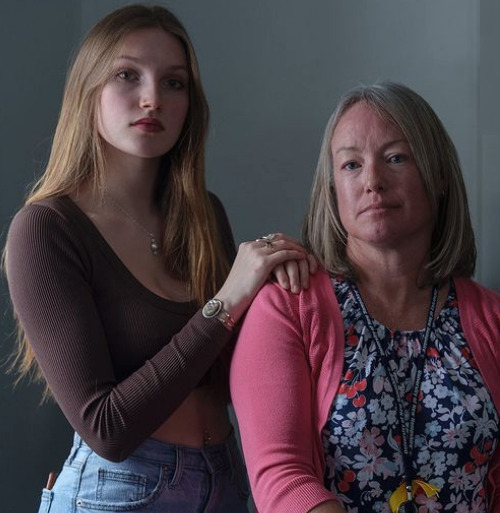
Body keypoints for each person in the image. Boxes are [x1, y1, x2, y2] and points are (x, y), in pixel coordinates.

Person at [4, 5, 315, 513]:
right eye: (128, 75)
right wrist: (228, 299)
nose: (152, 98)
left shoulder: (203, 216)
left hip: (229, 480)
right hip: (120, 491)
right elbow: (107, 429)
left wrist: (275, 286)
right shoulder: (47, 231)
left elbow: (233, 376)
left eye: (174, 83)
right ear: (88, 90)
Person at [230, 82, 500, 513]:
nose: (372, 181)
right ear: (332, 189)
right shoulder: (288, 307)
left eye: (395, 158)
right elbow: (281, 478)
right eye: (351, 165)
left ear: (438, 176)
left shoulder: (496, 319)